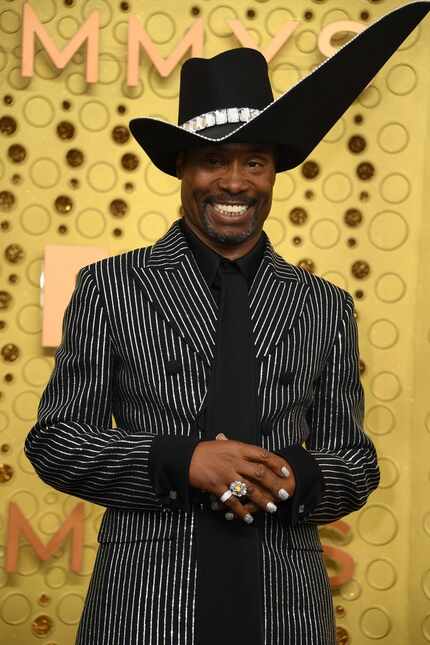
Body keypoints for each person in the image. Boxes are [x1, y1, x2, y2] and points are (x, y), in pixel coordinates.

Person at [24, 3, 430, 644]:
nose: (233, 181)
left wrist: (297, 478)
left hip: (285, 613)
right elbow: (57, 444)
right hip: (144, 609)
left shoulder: (323, 305)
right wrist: (181, 459)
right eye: (213, 161)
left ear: (273, 173)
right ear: (182, 169)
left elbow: (354, 462)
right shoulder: (112, 288)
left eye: (254, 162)